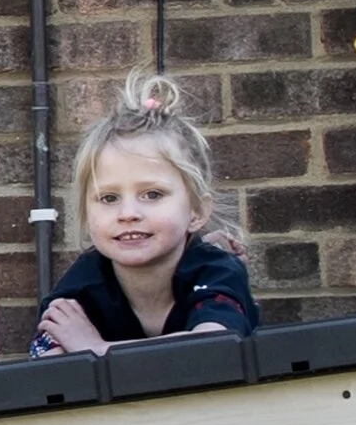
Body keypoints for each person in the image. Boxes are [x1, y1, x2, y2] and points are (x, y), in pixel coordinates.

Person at [31, 71, 259, 355]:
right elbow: (46, 363)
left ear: (197, 211)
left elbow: (213, 347)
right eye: (109, 197)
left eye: (152, 195)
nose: (128, 213)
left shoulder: (215, 270)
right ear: (87, 217)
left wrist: (97, 350)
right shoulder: (83, 283)